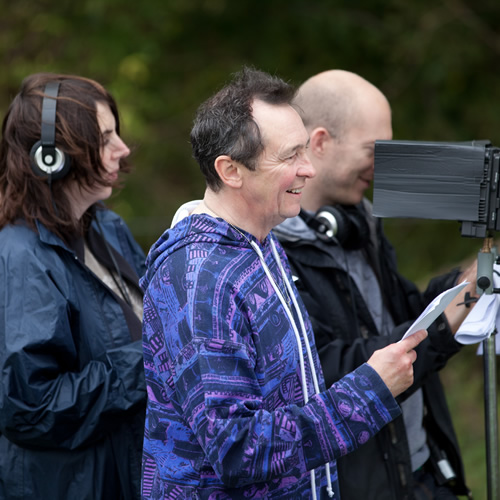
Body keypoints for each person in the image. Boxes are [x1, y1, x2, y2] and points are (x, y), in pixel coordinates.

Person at [140, 66, 428, 500]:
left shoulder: (261, 242)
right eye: (290, 156)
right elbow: (239, 449)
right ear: (231, 170)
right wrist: (369, 391)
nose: (309, 169)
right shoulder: (198, 280)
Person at [274, 69, 477, 500]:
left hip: (420, 472)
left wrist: (474, 281)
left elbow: (407, 314)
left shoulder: (361, 221)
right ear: (321, 141)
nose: (383, 164)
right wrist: (448, 322)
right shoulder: (271, 255)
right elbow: (330, 368)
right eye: (372, 149)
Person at [0, 73, 146, 499]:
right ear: (50, 157)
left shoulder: (107, 227)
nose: (122, 148)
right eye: (105, 138)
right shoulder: (19, 260)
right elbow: (32, 408)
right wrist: (152, 360)